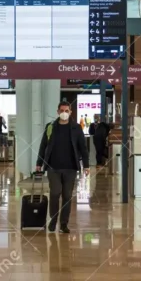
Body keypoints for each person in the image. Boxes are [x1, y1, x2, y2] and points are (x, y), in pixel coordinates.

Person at [35, 98, 90, 234]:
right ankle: (53, 220)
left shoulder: (76, 128)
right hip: (53, 167)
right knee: (55, 193)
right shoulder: (50, 127)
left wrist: (86, 165)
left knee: (67, 196)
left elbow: (83, 148)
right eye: (62, 110)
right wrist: (39, 163)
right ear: (58, 112)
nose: (64, 113)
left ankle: (64, 224)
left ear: (70, 112)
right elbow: (43, 146)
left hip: (71, 168)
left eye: (66, 110)